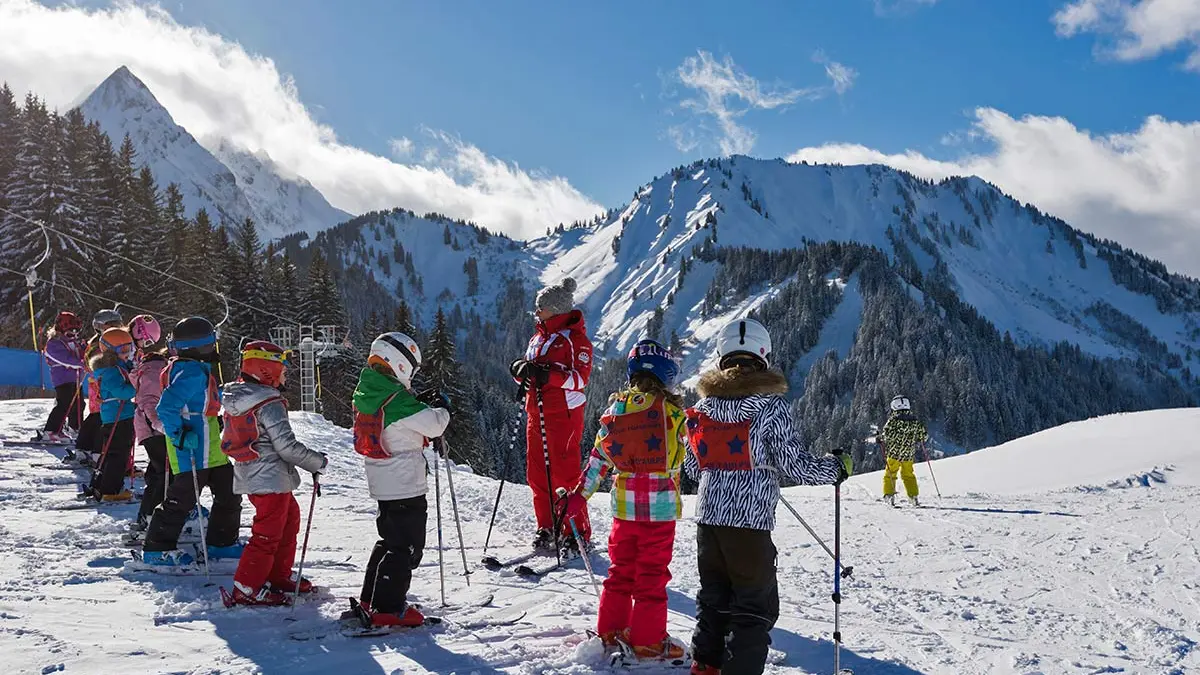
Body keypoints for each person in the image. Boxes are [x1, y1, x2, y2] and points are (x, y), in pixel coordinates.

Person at [683, 318, 852, 675]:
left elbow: (694, 470)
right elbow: (797, 465)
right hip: (748, 524)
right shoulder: (769, 407)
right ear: (764, 354)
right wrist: (835, 469)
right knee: (752, 608)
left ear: (721, 355)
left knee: (714, 600)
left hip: (708, 523)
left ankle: (705, 668)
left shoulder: (701, 411)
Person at [561, 339, 689, 663]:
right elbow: (697, 451)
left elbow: (598, 458)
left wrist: (581, 495)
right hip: (659, 512)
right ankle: (647, 641)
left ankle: (610, 631)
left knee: (620, 572)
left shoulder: (615, 411)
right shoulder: (673, 413)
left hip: (624, 510)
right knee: (652, 576)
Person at [351, 332, 450, 627]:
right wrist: (443, 407)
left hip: (383, 482)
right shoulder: (397, 400)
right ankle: (388, 608)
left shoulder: (370, 392)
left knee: (389, 540)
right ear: (401, 365)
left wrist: (417, 404)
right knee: (406, 546)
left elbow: (400, 421)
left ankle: (372, 597)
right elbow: (433, 424)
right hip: (405, 483)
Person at [220, 341, 328, 607]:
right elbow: (287, 447)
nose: (286, 375)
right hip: (268, 478)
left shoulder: (241, 398)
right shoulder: (268, 403)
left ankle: (278, 576)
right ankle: (246, 588)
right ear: (266, 371)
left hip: (258, 474)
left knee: (289, 520)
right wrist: (316, 462)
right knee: (267, 533)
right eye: (282, 369)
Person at [142, 316, 243, 567]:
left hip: (212, 449)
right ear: (202, 347)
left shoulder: (196, 369)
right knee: (181, 500)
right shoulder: (189, 372)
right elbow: (166, 407)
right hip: (192, 451)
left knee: (230, 494)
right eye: (211, 345)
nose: (214, 350)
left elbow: (205, 399)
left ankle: (221, 542)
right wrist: (178, 435)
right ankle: (157, 548)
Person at [508, 276, 594, 556]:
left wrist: (547, 375)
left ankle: (575, 531)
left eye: (541, 308)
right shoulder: (538, 338)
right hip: (536, 412)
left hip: (563, 414)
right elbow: (531, 379)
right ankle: (547, 526)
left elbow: (580, 379)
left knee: (565, 474)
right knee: (537, 475)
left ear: (555, 309)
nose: (537, 312)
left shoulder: (575, 340)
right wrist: (521, 372)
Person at [85, 328, 137, 501]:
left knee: (112, 452)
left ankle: (101, 484)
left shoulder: (115, 368)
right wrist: (137, 386)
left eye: (129, 349)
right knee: (118, 454)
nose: (127, 354)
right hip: (118, 417)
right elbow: (122, 392)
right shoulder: (110, 371)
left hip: (117, 415)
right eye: (123, 350)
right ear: (110, 351)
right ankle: (110, 489)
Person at [129, 315, 170, 531]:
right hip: (153, 430)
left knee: (158, 473)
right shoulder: (155, 370)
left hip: (151, 428)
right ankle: (153, 517)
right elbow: (148, 401)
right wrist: (159, 423)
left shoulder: (155, 368)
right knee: (165, 473)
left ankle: (147, 516)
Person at [76, 309, 123, 463]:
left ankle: (84, 447)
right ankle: (97, 450)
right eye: (112, 325)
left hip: (99, 382)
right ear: (101, 326)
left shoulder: (102, 340)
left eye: (117, 324)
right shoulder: (100, 343)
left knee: (96, 416)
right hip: (100, 383)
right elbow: (96, 362)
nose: (116, 328)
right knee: (101, 417)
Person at [37, 311, 85, 443]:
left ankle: (75, 427)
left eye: (76, 333)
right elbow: (65, 359)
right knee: (64, 404)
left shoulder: (74, 343)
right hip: (63, 379)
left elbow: (81, 354)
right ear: (60, 329)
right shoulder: (54, 343)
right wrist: (81, 364)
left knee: (79, 404)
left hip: (76, 380)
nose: (74, 336)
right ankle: (51, 430)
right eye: (70, 333)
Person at [879, 395, 929, 507]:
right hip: (908, 454)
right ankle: (913, 497)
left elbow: (886, 435)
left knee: (890, 474)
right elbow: (923, 436)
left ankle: (889, 495)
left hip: (894, 453)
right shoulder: (914, 421)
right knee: (908, 475)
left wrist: (880, 438)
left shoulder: (893, 421)